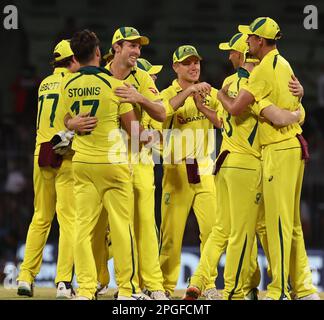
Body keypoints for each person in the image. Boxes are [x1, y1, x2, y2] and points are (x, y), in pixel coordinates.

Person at [183, 33, 302, 300]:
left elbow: (226, 120)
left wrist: (205, 109)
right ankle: (244, 289)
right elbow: (275, 116)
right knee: (251, 231)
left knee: (222, 229)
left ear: (241, 54)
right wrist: (298, 112)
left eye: (231, 51)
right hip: (248, 165)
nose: (229, 56)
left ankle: (199, 281)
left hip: (223, 162)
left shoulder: (227, 83)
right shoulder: (256, 85)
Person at [217, 17, 319, 300]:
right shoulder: (284, 63)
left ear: (260, 41)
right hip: (294, 147)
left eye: (250, 37)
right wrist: (297, 111)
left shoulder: (261, 71)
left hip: (279, 150)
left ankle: (279, 290)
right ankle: (304, 288)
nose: (247, 41)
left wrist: (220, 95)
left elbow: (237, 109)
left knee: (278, 224)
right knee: (292, 223)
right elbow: (297, 104)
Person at [62, 29, 149, 300]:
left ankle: (86, 290)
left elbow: (67, 118)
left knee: (82, 228)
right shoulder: (114, 86)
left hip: (82, 163)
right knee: (122, 227)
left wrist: (70, 124)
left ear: (75, 57)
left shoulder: (68, 85)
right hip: (113, 164)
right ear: (99, 53)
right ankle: (126, 290)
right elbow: (135, 133)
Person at [100, 27, 167, 300]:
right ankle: (98, 281)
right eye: (132, 46)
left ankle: (152, 285)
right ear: (117, 47)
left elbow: (161, 112)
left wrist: (139, 97)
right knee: (100, 227)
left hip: (138, 158)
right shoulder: (99, 76)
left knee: (144, 224)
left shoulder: (142, 77)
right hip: (104, 157)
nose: (138, 52)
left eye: (140, 48)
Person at [16, 40, 83, 299]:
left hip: (40, 153)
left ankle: (25, 277)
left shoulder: (45, 82)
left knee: (41, 217)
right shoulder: (74, 83)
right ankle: (64, 283)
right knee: (68, 221)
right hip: (65, 154)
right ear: (74, 59)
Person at [159, 45, 222, 299]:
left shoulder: (211, 93)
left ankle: (207, 284)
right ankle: (162, 287)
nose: (194, 67)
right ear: (175, 67)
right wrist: (187, 93)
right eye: (187, 63)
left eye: (196, 62)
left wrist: (204, 102)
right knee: (171, 236)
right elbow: (161, 114)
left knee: (211, 231)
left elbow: (224, 120)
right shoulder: (167, 94)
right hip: (177, 170)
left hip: (206, 169)